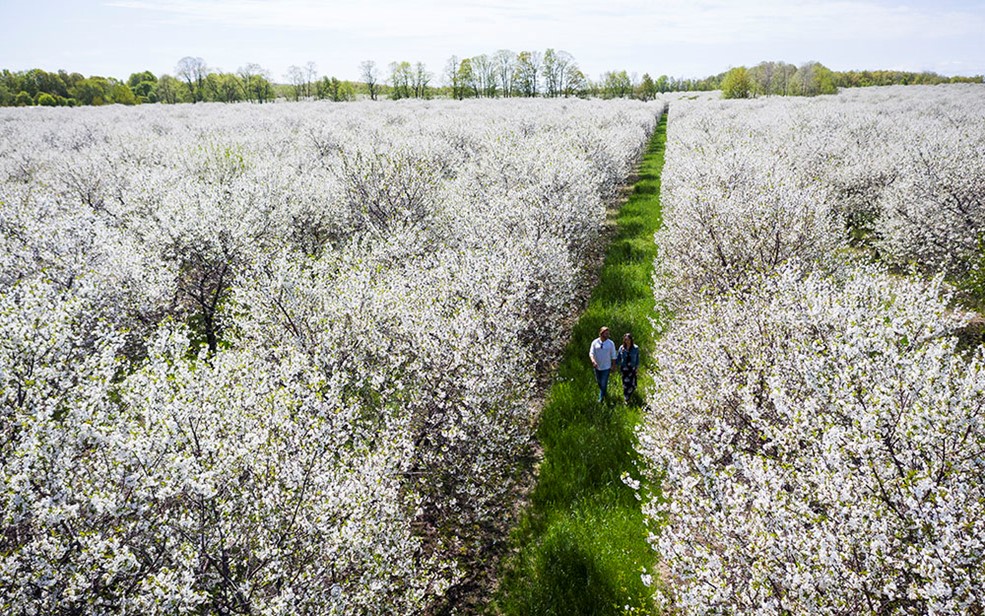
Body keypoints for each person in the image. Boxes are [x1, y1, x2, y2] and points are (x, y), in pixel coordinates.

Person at [589, 326, 617, 403]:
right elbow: (591, 353)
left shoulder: (611, 343)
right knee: (599, 382)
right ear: (601, 333)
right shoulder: (595, 342)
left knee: (604, 383)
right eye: (606, 333)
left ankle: (601, 398)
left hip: (606, 367)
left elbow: (614, 355)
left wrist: (614, 365)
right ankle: (603, 392)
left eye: (608, 333)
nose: (607, 335)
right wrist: (593, 361)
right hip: (597, 367)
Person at [617, 333, 640, 404]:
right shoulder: (622, 348)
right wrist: (615, 365)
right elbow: (618, 357)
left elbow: (637, 358)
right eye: (626, 340)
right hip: (624, 368)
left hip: (632, 368)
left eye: (628, 339)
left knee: (633, 384)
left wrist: (637, 367)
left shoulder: (635, 348)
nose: (627, 341)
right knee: (625, 384)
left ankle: (629, 395)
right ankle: (626, 398)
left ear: (631, 340)